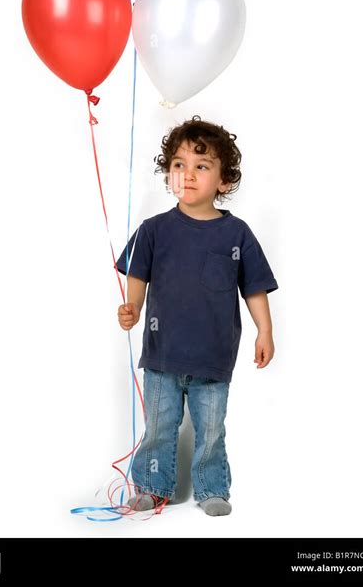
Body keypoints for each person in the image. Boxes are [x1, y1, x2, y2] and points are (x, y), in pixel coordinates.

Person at [115, 115, 279, 516]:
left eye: (201, 166)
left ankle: (211, 488)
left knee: (210, 432)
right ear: (168, 172)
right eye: (178, 165)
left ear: (223, 181)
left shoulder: (236, 234)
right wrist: (132, 307)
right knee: (159, 429)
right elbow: (138, 275)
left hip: (213, 359)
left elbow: (254, 286)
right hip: (161, 356)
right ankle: (152, 488)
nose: (187, 175)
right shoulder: (154, 230)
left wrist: (265, 330)